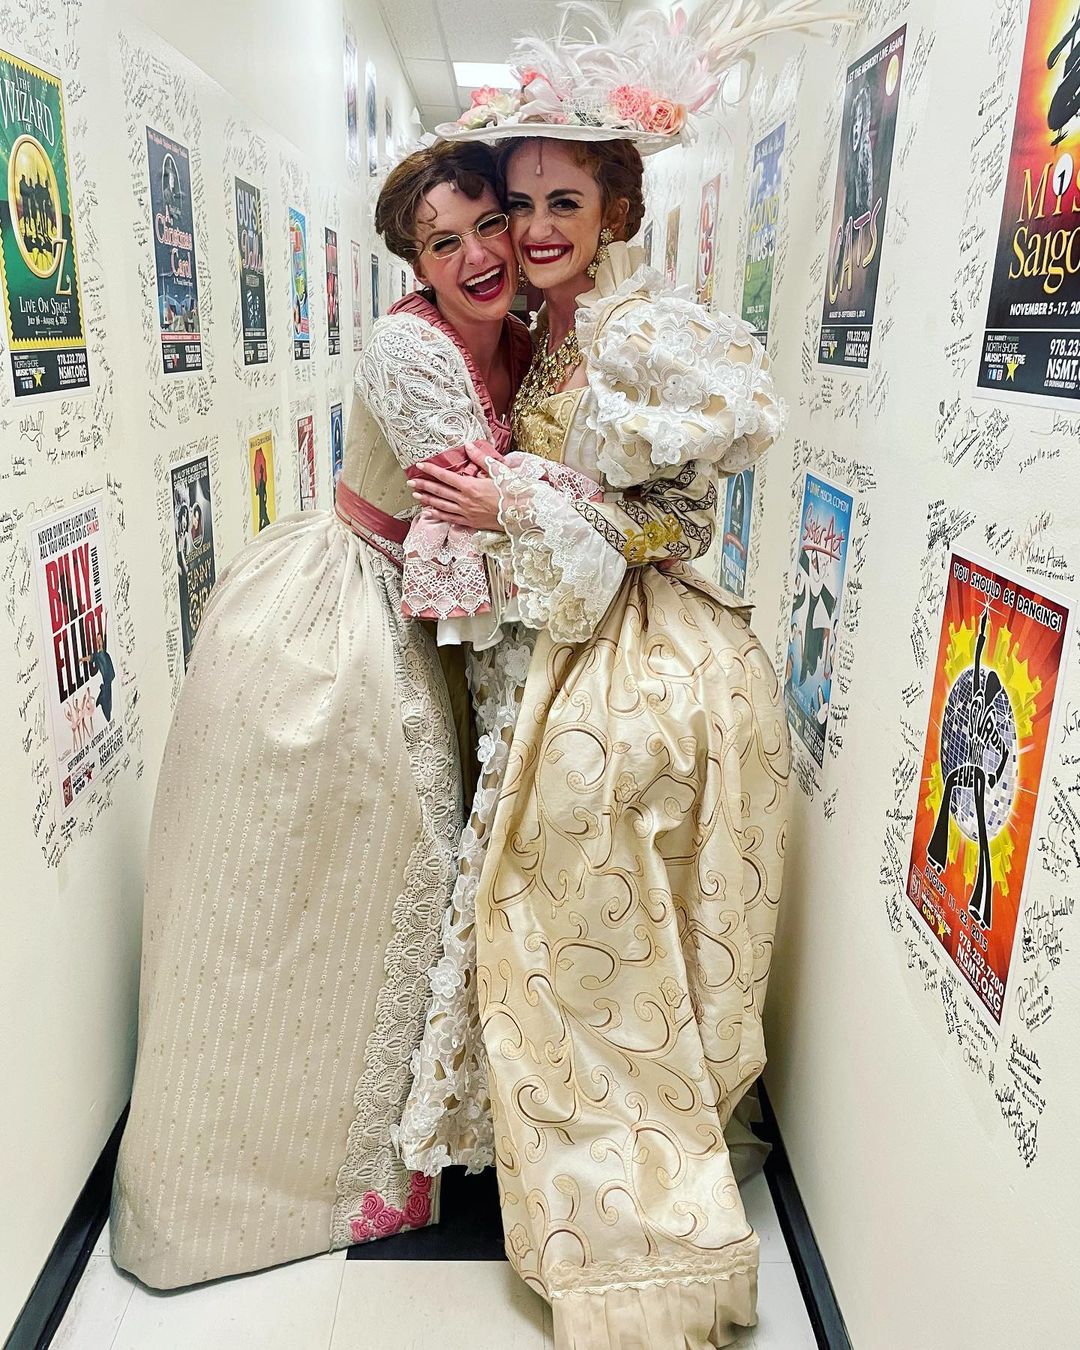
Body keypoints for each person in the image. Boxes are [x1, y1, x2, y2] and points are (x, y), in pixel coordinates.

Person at [406, 4, 844, 1343]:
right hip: (581, 642)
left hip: (645, 661)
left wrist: (526, 501)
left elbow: (692, 494)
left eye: (565, 201)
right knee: (568, 926)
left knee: (585, 925)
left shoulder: (636, 327)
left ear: (614, 206)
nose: (536, 229)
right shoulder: (557, 328)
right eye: (520, 204)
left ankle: (640, 1219)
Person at [110, 141, 530, 1289]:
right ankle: (303, 1172)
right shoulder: (410, 346)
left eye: (488, 224)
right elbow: (481, 500)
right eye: (443, 242)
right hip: (351, 618)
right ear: (415, 264)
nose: (476, 254)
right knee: (348, 880)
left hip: (435, 617)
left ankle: (408, 1138)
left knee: (410, 877)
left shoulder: (525, 338)